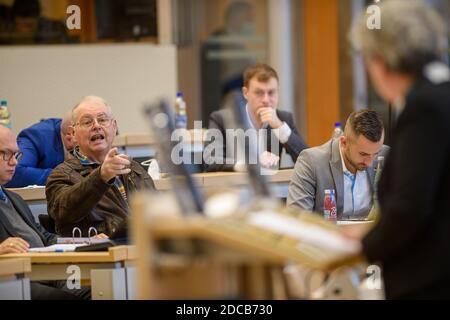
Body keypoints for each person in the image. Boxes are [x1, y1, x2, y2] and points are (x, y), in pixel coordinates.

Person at [348, 0, 450, 299]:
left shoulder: (423, 107)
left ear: (379, 61)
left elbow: (411, 206)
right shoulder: (441, 87)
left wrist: (363, 247)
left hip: (430, 280)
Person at [0, 125, 90, 299]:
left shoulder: (14, 199)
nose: (14, 162)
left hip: (49, 273)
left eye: (16, 154)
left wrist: (87, 242)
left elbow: (46, 239)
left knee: (96, 289)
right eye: (5, 154)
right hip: (15, 280)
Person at [46, 96, 155, 237]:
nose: (96, 126)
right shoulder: (61, 175)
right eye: (87, 122)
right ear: (73, 134)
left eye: (102, 120)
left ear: (114, 127)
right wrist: (101, 176)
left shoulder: (133, 168)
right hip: (99, 254)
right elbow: (63, 212)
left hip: (143, 250)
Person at [204, 63, 308, 172]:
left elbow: (308, 161)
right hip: (233, 187)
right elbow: (211, 161)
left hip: (269, 187)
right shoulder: (221, 119)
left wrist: (279, 127)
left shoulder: (283, 118)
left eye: (271, 92)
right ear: (245, 93)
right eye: (259, 93)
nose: (266, 100)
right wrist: (251, 163)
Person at [287, 109, 389, 220]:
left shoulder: (387, 156)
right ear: (344, 143)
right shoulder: (312, 162)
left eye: (375, 153)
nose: (369, 163)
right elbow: (297, 218)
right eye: (363, 154)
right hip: (329, 235)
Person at [200, 0, 257, 123]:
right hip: (225, 109)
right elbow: (229, 81)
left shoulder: (233, 41)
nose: (251, 23)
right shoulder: (221, 43)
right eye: (248, 18)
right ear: (237, 18)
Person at [5, 113, 75, 188]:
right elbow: (15, 172)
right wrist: (68, 175)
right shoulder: (36, 136)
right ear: (70, 135)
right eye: (86, 123)